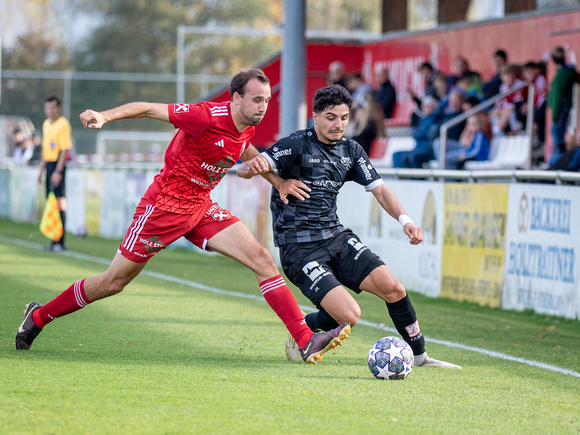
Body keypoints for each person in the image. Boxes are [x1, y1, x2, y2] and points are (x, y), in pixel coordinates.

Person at [14, 69, 350, 365]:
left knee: (262, 259)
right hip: (163, 208)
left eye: (266, 100)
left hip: (201, 206)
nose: (263, 106)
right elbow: (147, 108)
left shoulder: (246, 125)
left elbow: (244, 147)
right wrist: (106, 116)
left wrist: (277, 181)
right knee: (112, 282)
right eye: (256, 100)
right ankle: (39, 316)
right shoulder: (203, 116)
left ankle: (305, 340)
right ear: (236, 99)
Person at [238, 84, 461, 369]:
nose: (338, 124)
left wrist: (406, 221)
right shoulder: (295, 144)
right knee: (349, 315)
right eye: (331, 117)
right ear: (316, 117)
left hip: (336, 236)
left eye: (343, 117)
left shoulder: (351, 150)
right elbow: (248, 167)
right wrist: (263, 172)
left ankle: (420, 357)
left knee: (393, 288)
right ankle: (301, 331)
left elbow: (380, 190)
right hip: (299, 247)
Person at [38, 94, 72, 251]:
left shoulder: (63, 124)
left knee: (60, 203)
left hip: (58, 165)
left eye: (53, 107)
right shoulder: (46, 124)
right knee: (51, 203)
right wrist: (40, 170)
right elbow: (45, 150)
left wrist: (58, 171)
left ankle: (61, 242)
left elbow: (65, 149)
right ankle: (53, 241)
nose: (50, 110)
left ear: (58, 108)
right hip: (49, 166)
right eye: (47, 108)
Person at [547, 46, 580, 165]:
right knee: (559, 134)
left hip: (560, 109)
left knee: (557, 135)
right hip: (565, 107)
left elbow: (557, 96)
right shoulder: (568, 71)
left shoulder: (562, 74)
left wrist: (554, 115)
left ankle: (556, 162)